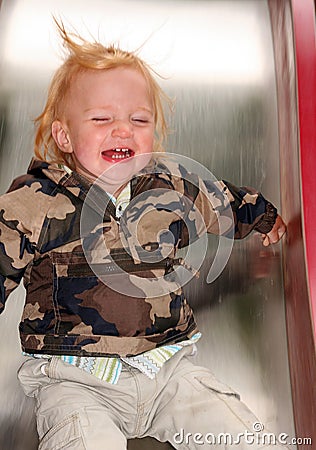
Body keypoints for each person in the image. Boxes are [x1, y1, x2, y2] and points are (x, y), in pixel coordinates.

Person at [0, 21, 287, 450]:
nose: (123, 129)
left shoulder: (168, 186)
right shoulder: (36, 201)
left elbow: (218, 200)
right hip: (75, 380)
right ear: (64, 134)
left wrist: (262, 214)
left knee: (245, 436)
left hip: (168, 370)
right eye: (102, 118)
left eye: (139, 119)